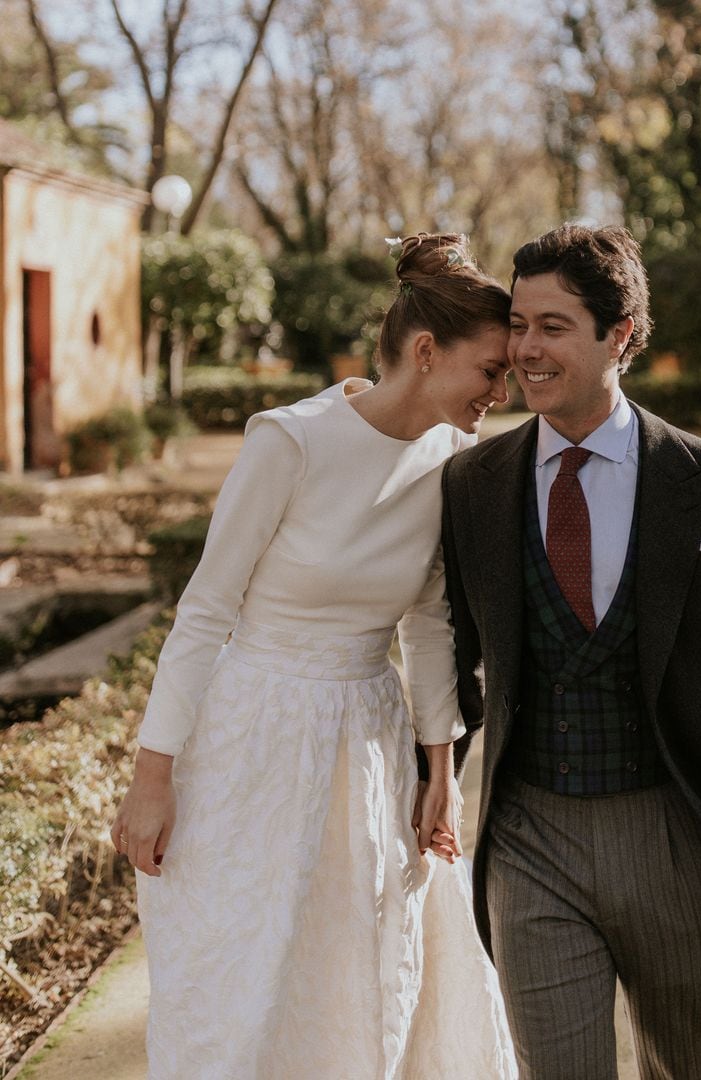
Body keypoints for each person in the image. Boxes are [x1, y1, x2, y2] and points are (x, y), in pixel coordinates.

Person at [441, 224, 701, 1080]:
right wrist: (429, 768)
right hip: (529, 835)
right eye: (518, 326)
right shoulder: (472, 485)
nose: (525, 350)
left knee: (688, 1065)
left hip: (670, 830)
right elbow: (447, 653)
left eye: (552, 327)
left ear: (618, 335)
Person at [111, 234, 518, 1080]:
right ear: (426, 351)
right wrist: (153, 774)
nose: (501, 389)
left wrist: (439, 768)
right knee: (245, 971)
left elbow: (430, 623)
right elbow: (204, 612)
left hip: (370, 736)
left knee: (364, 961)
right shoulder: (288, 442)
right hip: (254, 735)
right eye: (491, 369)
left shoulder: (451, 461)